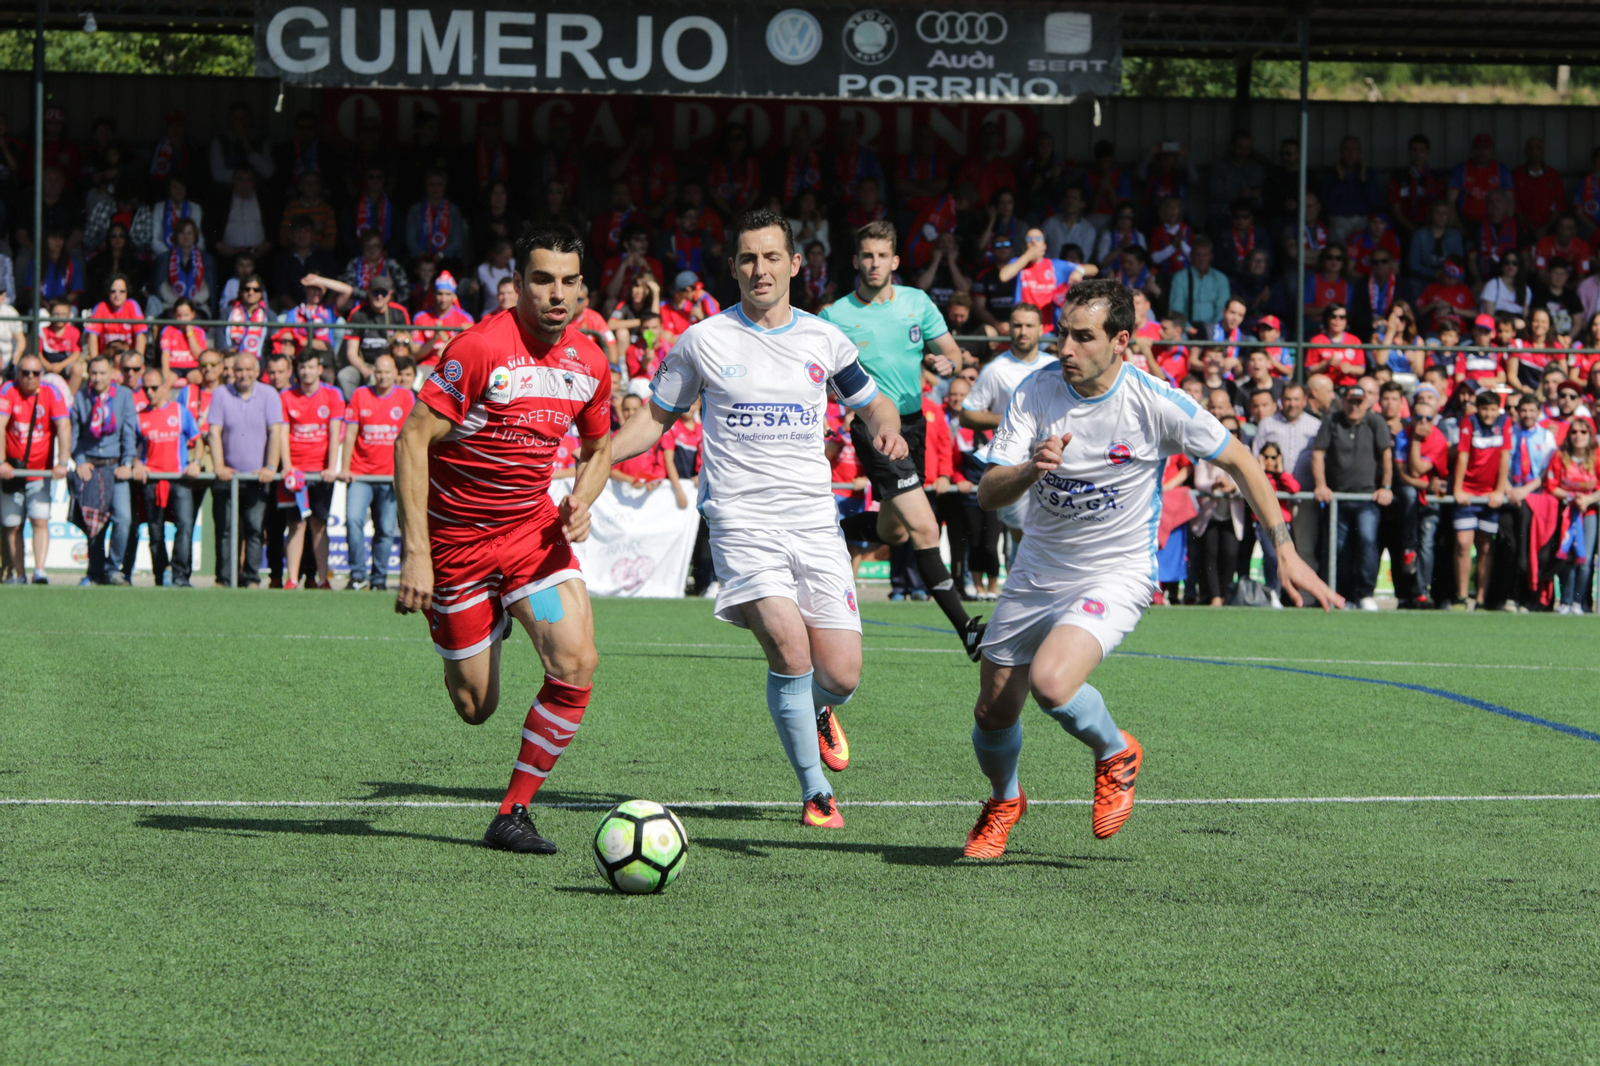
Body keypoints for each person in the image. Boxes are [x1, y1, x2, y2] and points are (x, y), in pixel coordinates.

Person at [960, 278, 1336, 858]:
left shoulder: (1155, 400)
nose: (1066, 348)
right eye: (1064, 333)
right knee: (992, 711)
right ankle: (1005, 800)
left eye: (1083, 338)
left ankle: (1115, 751)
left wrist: (1284, 548)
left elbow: (1239, 460)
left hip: (1117, 572)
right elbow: (987, 492)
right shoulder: (1034, 392)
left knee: (1053, 682)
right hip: (1037, 571)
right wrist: (1032, 469)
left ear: (1121, 341)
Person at [611, 208, 906, 831]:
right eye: (748, 258)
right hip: (741, 522)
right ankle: (815, 791)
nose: (760, 269)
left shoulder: (824, 340)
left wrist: (887, 431)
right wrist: (598, 457)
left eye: (772, 257)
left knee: (842, 674)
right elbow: (655, 419)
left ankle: (819, 711)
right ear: (734, 267)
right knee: (789, 648)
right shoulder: (703, 340)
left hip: (813, 522)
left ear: (795, 264)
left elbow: (876, 404)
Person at [391, 224, 611, 855]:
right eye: (542, 279)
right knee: (474, 706)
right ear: (516, 285)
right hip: (456, 552)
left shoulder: (590, 361)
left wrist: (583, 498)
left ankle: (513, 812)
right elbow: (412, 440)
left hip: (530, 547)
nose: (556, 294)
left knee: (575, 661)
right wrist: (417, 555)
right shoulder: (480, 348)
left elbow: (599, 449)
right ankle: (481, 619)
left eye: (569, 281)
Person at [817, 221, 982, 657]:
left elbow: (952, 351)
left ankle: (818, 530)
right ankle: (967, 629)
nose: (873, 263)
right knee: (925, 527)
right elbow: (810, 372)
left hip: (915, 426)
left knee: (894, 531)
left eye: (881, 256)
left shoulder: (918, 301)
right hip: (874, 430)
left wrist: (949, 363)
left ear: (894, 261)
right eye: (865, 256)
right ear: (856, 261)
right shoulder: (835, 315)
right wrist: (821, 416)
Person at [1312, 385, 1393, 610]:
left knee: (1367, 541)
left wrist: (1386, 486)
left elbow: (1386, 454)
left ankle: (1366, 593)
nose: (1354, 406)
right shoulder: (1332, 420)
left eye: (1359, 402)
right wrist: (1321, 485)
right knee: (1338, 547)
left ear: (1366, 402)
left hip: (1367, 498)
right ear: (1343, 402)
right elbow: (1318, 453)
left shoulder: (1375, 422)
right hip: (1337, 499)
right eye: (1351, 401)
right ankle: (1341, 595)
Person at [207, 351, 284, 587]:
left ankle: (251, 578)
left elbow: (276, 432)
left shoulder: (269, 395)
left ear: (257, 371)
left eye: (248, 369)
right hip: (227, 476)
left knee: (254, 529)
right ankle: (224, 578)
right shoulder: (221, 394)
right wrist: (219, 465)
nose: (243, 374)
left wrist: (270, 466)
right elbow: (214, 432)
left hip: (256, 477)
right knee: (226, 530)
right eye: (239, 370)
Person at [339, 353, 413, 590]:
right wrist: (344, 467)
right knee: (353, 520)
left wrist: (403, 472)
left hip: (390, 476)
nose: (382, 376)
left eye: (387, 372)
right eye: (378, 372)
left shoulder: (405, 397)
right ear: (373, 372)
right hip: (361, 474)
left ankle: (379, 579)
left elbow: (410, 438)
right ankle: (358, 575)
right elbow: (350, 434)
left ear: (395, 374)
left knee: (385, 528)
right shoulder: (361, 394)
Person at [0, 354, 71, 585]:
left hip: (40, 470)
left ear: (42, 375)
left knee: (40, 520)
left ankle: (39, 570)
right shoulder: (8, 390)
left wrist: (62, 461)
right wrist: (2, 463)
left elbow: (63, 425)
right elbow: (0, 424)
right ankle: (19, 574)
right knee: (12, 524)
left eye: (35, 373)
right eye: (25, 373)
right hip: (12, 470)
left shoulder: (51, 392)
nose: (30, 377)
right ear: (17, 373)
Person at [70, 354, 139, 585]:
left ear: (112, 374)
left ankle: (113, 567)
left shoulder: (124, 396)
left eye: (102, 373)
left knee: (123, 518)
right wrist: (79, 460)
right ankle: (95, 572)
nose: (98, 378)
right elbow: (74, 435)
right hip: (89, 467)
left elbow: (129, 433)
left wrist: (127, 463)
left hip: (115, 466)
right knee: (93, 523)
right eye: (94, 373)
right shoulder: (81, 397)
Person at [131, 366, 201, 587]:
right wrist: (136, 465)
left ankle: (181, 575)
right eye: (145, 388)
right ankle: (161, 576)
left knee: (185, 526)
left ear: (164, 387)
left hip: (178, 479)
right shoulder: (139, 417)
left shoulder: (180, 411)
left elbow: (197, 440)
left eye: (154, 387)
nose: (149, 392)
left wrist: (196, 462)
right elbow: (131, 450)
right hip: (152, 481)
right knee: (155, 531)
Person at [280, 349, 343, 589]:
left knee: (319, 524)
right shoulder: (286, 396)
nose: (306, 371)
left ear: (320, 369)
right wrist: (287, 467)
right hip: (296, 473)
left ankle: (323, 579)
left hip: (320, 472)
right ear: (297, 370)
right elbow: (283, 434)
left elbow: (334, 433)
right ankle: (292, 580)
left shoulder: (333, 394)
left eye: (311, 367)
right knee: (296, 524)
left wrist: (330, 467)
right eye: (302, 367)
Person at [1450, 389, 1512, 610]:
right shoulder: (1469, 422)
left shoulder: (1505, 422)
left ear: (1498, 409)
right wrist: (1458, 489)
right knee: (1463, 543)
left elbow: (1504, 457)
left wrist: (1498, 491)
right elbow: (1463, 455)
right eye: (1484, 409)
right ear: (1478, 408)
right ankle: (1462, 596)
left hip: (1489, 495)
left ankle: (1481, 598)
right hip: (1468, 492)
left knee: (1485, 547)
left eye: (1493, 409)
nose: (1488, 414)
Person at [1544, 418, 1599, 614]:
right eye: (1574, 432)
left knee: (1583, 559)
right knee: (1565, 557)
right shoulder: (1560, 457)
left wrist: (1588, 498)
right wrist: (1571, 497)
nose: (1578, 436)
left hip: (1589, 513)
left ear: (1590, 435)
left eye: (1583, 432)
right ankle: (1565, 601)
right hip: (1566, 511)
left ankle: (1579, 601)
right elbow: (1551, 485)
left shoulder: (1597, 456)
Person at [341, 276, 411, 397]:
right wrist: (365, 370)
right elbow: (351, 353)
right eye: (375, 292)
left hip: (392, 366)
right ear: (368, 293)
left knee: (409, 376)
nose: (379, 296)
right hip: (365, 365)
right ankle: (355, 410)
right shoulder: (358, 313)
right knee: (345, 376)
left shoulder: (399, 312)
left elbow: (406, 348)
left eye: (383, 293)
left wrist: (391, 371)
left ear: (390, 294)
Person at [410, 272, 474, 367]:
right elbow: (415, 355)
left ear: (454, 296)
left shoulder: (465, 318)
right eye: (440, 294)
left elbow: (472, 353)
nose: (443, 299)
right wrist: (434, 338)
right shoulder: (420, 317)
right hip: (427, 367)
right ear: (433, 295)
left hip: (455, 366)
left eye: (448, 294)